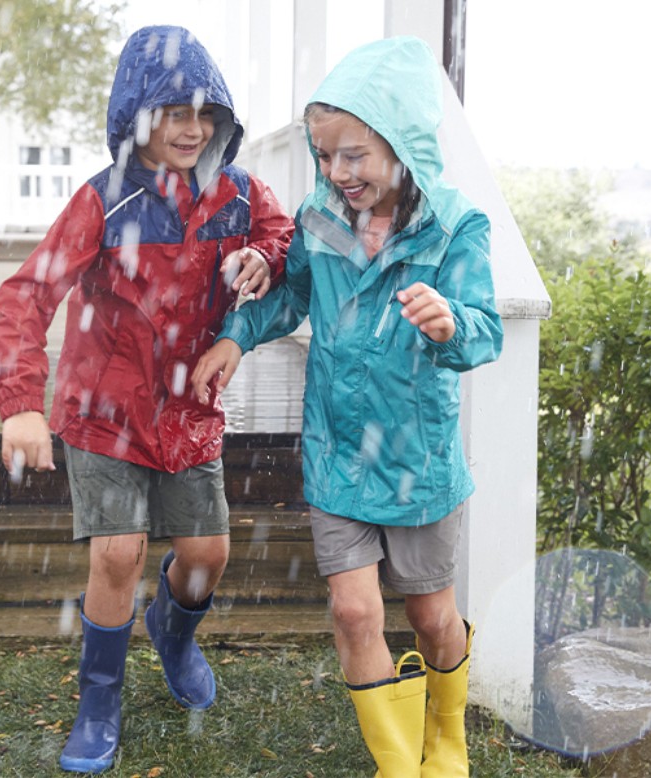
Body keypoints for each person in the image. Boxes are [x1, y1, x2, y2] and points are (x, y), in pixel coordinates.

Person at [0, 24, 294, 774]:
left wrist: (261, 257)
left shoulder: (241, 194)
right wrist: (20, 400)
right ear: (137, 116)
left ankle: (175, 634)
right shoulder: (103, 199)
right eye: (173, 112)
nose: (192, 128)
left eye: (205, 113)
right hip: (103, 409)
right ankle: (99, 701)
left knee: (206, 554)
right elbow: (26, 296)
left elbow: (286, 243)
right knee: (118, 553)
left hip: (190, 409)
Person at [192, 36, 503, 778]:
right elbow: (293, 294)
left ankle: (445, 731)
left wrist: (450, 320)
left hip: (418, 461)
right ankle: (399, 767)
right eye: (325, 155)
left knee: (432, 616)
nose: (337, 172)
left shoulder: (457, 226)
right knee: (356, 612)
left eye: (354, 155)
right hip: (336, 451)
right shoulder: (321, 217)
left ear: (400, 144)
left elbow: (484, 329)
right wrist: (239, 336)